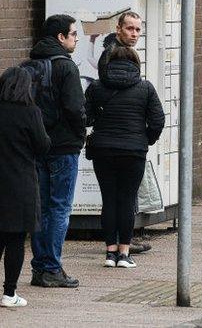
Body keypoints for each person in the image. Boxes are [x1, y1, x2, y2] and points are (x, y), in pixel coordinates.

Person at [0, 67, 51, 309]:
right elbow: (42, 145)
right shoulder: (30, 112)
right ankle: (10, 293)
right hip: (21, 184)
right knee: (16, 238)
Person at [85, 45, 165, 268]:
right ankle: (124, 253)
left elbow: (86, 118)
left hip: (103, 150)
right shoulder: (145, 88)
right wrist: (145, 139)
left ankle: (110, 253)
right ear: (135, 64)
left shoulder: (96, 87)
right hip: (133, 151)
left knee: (109, 199)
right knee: (127, 200)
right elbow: (158, 120)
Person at [28, 14, 86, 289]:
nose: (76, 38)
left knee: (40, 208)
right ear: (61, 37)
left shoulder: (29, 66)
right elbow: (75, 108)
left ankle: (40, 266)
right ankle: (52, 267)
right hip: (63, 147)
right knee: (60, 207)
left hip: (37, 146)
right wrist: (80, 133)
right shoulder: (66, 68)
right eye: (73, 34)